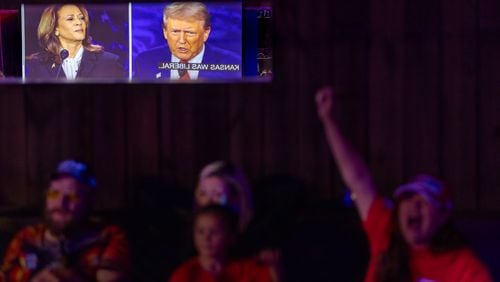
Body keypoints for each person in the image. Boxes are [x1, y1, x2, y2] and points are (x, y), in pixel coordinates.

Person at [315, 86, 493, 282]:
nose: (413, 206)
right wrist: (328, 120)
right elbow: (358, 180)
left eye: (424, 201)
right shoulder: (386, 231)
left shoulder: (464, 267)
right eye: (407, 198)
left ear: (443, 216)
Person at [1, 159, 130, 281]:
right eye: (54, 194)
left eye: (72, 196)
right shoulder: (26, 237)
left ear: (89, 202)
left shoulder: (108, 237)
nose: (61, 203)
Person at [134, 2, 241, 81]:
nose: (181, 41)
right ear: (165, 32)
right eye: (175, 32)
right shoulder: (145, 60)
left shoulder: (231, 62)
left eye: (189, 33)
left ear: (206, 33)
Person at [169, 204, 273, 282]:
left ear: (230, 237)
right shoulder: (185, 274)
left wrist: (274, 265)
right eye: (200, 232)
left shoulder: (245, 269)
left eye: (214, 232)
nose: (206, 238)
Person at [25, 4, 125, 80]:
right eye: (70, 19)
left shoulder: (109, 62)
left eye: (81, 18)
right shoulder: (36, 64)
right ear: (55, 29)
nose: (79, 22)